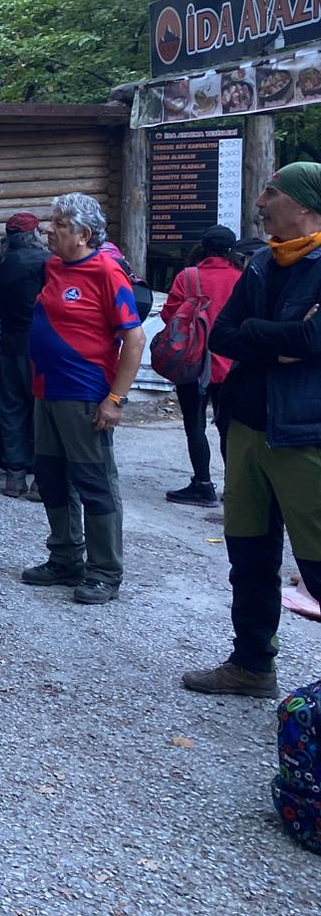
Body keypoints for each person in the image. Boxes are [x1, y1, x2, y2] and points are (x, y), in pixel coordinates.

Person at [183, 163, 321, 699]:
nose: (260, 202)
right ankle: (251, 667)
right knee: (249, 555)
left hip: (304, 434)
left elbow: (312, 341)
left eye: (271, 192)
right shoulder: (262, 263)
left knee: (317, 564)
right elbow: (223, 334)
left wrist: (261, 335)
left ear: (304, 204)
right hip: (245, 430)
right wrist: (278, 341)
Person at [19, 192, 143, 605]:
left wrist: (116, 399)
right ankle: (65, 557)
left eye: (59, 224)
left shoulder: (106, 271)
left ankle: (105, 571)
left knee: (94, 482)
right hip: (47, 390)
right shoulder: (54, 266)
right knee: (51, 477)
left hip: (86, 394)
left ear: (84, 234)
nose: (48, 229)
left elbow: (134, 338)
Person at [158, 225, 242, 507]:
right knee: (229, 427)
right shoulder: (243, 277)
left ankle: (203, 486)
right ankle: (236, 489)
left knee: (195, 424)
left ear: (203, 247)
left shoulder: (188, 277)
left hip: (193, 363)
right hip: (233, 365)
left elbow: (170, 316)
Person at [0, 212, 50, 498]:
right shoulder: (46, 262)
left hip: (9, 344)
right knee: (41, 411)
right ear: (34, 234)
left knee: (11, 410)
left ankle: (14, 477)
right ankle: (41, 479)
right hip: (39, 346)